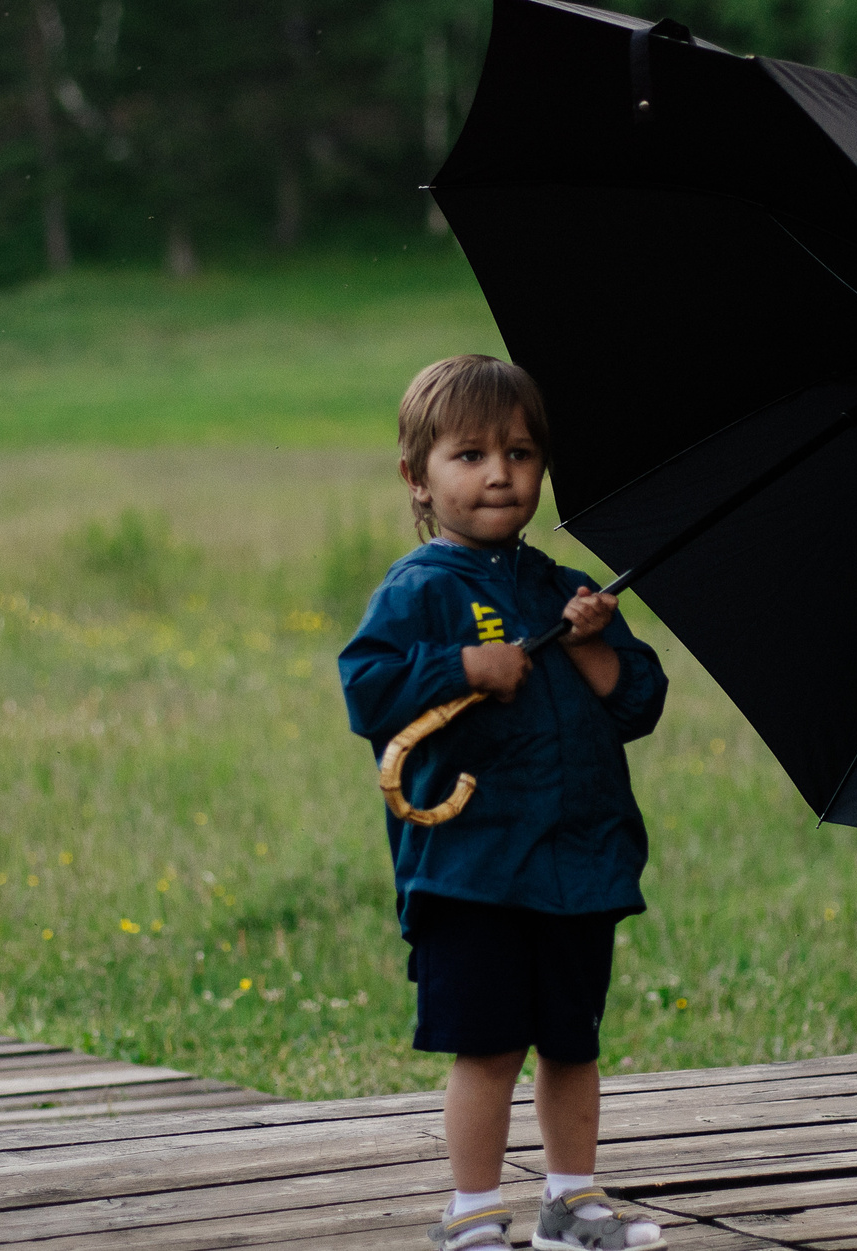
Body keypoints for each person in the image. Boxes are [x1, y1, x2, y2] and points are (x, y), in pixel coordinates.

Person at [340, 354, 672, 1251]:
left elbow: (639, 701)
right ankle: (473, 1214)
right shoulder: (419, 591)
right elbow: (365, 688)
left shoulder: (562, 591)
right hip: (473, 866)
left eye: (521, 453)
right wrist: (459, 667)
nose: (500, 473)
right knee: (487, 1046)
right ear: (418, 476)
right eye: (471, 454)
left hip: (577, 859)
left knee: (573, 1040)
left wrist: (595, 645)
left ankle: (571, 1201)